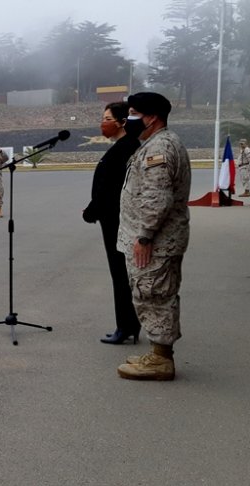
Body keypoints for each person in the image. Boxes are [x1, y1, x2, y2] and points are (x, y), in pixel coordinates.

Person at [115, 92, 191, 381]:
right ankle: (159, 354)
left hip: (155, 242)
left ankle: (161, 360)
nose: (129, 118)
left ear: (152, 117)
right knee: (150, 294)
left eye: (134, 112)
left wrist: (144, 236)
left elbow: (157, 198)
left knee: (155, 294)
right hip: (153, 239)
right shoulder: (153, 144)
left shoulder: (159, 148)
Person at [83, 102, 142, 345]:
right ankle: (128, 324)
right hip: (111, 217)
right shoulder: (123, 146)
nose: (103, 122)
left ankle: (126, 325)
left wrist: (92, 209)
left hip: (117, 219)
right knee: (120, 273)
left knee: (120, 273)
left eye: (107, 118)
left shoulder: (127, 147)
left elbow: (113, 188)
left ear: (121, 122)